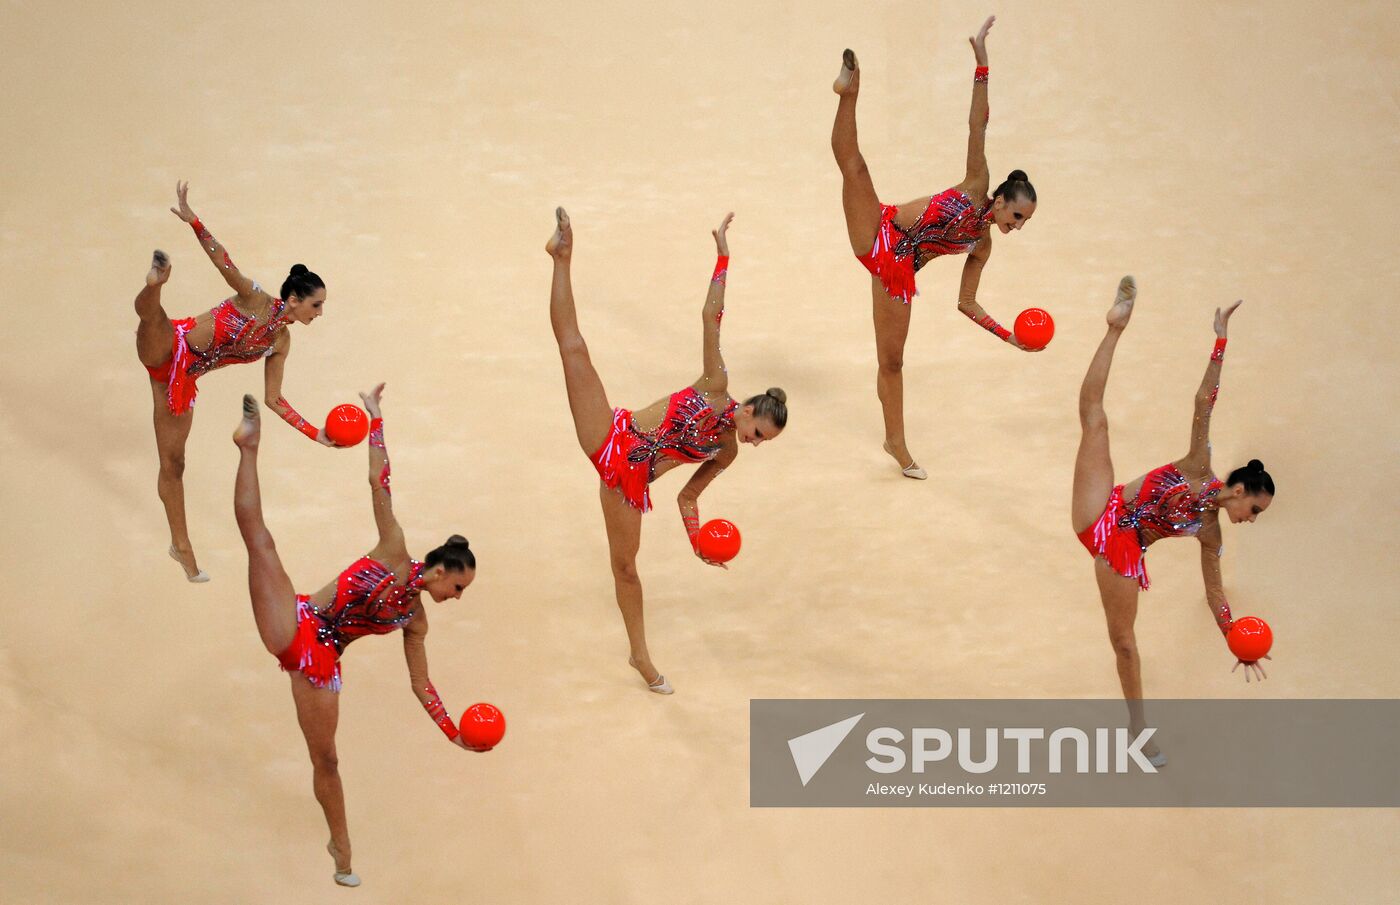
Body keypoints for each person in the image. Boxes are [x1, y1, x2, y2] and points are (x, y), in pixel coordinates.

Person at [230, 385, 480, 886]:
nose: (458, 596)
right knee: (260, 540)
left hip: (321, 659)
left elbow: (421, 684)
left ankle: (340, 844)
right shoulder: (392, 547)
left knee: (326, 758)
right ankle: (249, 446)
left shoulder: (416, 618)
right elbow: (378, 480)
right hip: (297, 617)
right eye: (458, 586)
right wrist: (376, 418)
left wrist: (453, 731)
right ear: (438, 570)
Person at [545, 208, 787, 694]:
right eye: (758, 433)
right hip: (613, 435)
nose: (754, 444)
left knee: (626, 570)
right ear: (746, 410)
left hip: (627, 482)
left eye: (763, 442)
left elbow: (687, 499)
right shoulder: (715, 384)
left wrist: (698, 542)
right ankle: (561, 256)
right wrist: (722, 259)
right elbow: (710, 317)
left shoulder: (726, 451)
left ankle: (640, 654)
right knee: (574, 348)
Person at [1072, 276, 1275, 764]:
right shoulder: (1198, 465)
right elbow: (1204, 402)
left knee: (1124, 645)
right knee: (1094, 418)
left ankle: (1137, 734)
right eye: (1255, 510)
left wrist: (1234, 636)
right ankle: (1114, 328)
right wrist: (1220, 341)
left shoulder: (1211, 533)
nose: (1251, 519)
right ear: (1241, 491)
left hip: (1123, 546)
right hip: (1105, 508)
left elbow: (1215, 593)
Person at [831, 16, 1039, 479]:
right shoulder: (975, 185)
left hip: (896, 272)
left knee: (892, 361)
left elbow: (966, 303)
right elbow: (977, 125)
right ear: (1001, 200)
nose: (1017, 226)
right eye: (1017, 216)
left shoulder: (982, 245)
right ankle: (849, 89)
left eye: (1023, 223)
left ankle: (895, 442)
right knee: (856, 169)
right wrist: (981, 65)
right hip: (883, 229)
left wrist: (1010, 337)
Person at [135, 182, 335, 581]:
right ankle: (155, 283)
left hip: (181, 383)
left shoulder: (281, 341)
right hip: (171, 347)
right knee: (152, 320)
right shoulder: (254, 298)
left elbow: (274, 400)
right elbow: (223, 262)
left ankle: (182, 547)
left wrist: (316, 433)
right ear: (294, 300)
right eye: (317, 304)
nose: (320, 313)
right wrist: (194, 221)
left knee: (174, 465)